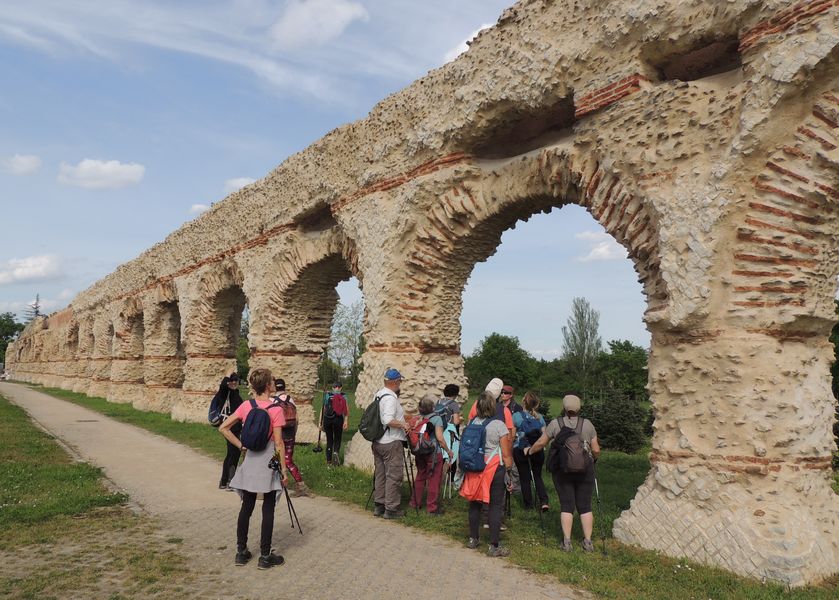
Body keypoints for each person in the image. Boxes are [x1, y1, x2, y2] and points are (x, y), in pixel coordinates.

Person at [219, 368, 288, 569]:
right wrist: (283, 470)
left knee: (246, 507)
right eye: (272, 381)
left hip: (250, 460)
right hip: (267, 461)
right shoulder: (276, 409)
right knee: (268, 508)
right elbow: (278, 443)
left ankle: (241, 552)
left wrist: (241, 445)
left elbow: (223, 427)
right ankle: (265, 556)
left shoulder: (246, 406)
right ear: (268, 385)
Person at [525, 394, 600, 552]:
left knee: (567, 505)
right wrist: (593, 459)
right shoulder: (587, 424)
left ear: (564, 408)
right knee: (585, 505)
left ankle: (567, 542)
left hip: (562, 471)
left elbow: (541, 443)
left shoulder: (555, 424)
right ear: (579, 407)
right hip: (585, 471)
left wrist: (529, 451)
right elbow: (596, 449)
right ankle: (588, 542)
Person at [460, 391, 513, 557]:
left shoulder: (471, 423)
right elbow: (506, 454)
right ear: (493, 406)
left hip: (475, 468)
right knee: (495, 506)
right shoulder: (499, 425)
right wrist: (509, 470)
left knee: (474, 504)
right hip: (494, 468)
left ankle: (473, 539)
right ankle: (493, 546)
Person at [371, 368, 408, 519]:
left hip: (378, 440)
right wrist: (403, 425)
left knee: (380, 474)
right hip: (390, 441)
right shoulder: (391, 398)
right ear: (394, 382)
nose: (400, 384)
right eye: (400, 381)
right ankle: (391, 509)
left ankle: (379, 505)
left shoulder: (378, 395)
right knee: (393, 475)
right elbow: (387, 420)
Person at [409, 393, 451, 516]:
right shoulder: (436, 419)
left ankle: (414, 503)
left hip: (419, 452)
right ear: (433, 407)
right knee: (434, 479)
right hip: (433, 453)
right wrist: (448, 451)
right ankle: (432, 508)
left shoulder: (416, 419)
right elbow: (440, 438)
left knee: (420, 476)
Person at [512, 390, 549, 511]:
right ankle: (543, 501)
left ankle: (529, 505)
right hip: (537, 448)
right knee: (537, 476)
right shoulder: (540, 417)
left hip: (520, 449)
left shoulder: (516, 416)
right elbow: (545, 435)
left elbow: (511, 435)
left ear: (523, 402)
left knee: (524, 477)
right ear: (536, 404)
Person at [273, 378, 310, 497]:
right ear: (284, 387)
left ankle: (298, 485)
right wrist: (294, 433)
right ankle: (298, 484)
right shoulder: (290, 400)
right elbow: (297, 419)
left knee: (277, 459)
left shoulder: (273, 400)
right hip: (290, 435)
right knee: (288, 459)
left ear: (275, 387)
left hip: (279, 435)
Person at [212, 373, 244, 489]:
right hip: (229, 428)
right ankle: (230, 481)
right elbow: (222, 386)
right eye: (232, 380)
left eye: (236, 380)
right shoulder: (224, 392)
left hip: (236, 427)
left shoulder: (236, 393)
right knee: (234, 453)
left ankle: (224, 481)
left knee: (232, 453)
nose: (234, 382)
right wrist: (227, 376)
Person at [322, 381, 349, 466]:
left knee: (329, 440)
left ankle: (329, 461)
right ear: (341, 388)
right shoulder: (343, 396)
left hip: (327, 419)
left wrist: (321, 422)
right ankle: (336, 452)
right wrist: (346, 420)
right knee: (337, 438)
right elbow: (346, 409)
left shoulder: (327, 395)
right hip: (338, 419)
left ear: (332, 388)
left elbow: (323, 409)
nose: (337, 388)